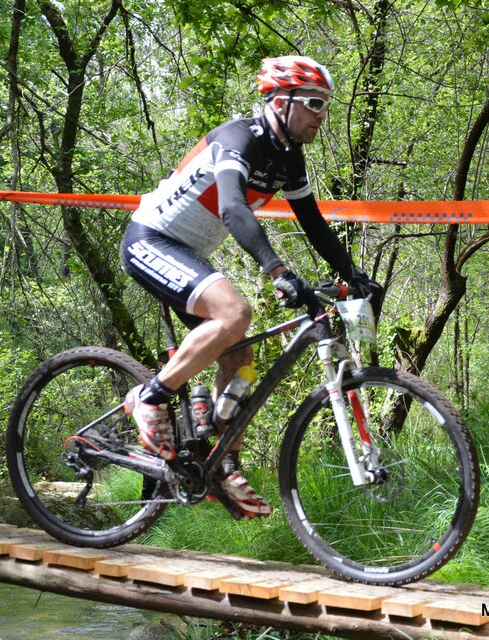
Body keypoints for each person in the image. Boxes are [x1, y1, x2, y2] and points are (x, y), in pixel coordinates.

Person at [120, 55, 382, 518]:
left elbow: (314, 224)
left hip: (188, 255)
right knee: (235, 312)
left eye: (326, 105)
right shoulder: (238, 138)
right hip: (151, 240)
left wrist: (354, 274)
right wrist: (277, 271)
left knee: (240, 359)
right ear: (280, 103)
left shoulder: (289, 157)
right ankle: (150, 397)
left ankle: (223, 465)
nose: (322, 115)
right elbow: (233, 209)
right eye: (314, 103)